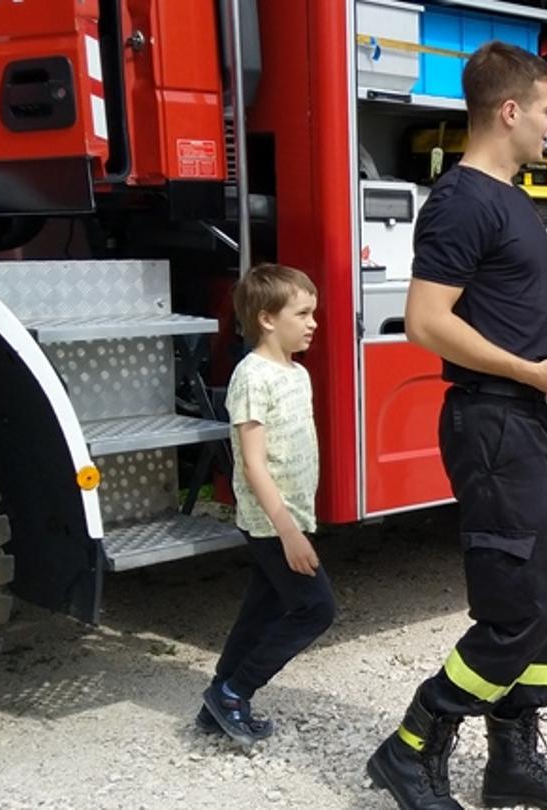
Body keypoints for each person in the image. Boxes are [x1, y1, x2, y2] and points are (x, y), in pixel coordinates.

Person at [365, 42, 547, 810]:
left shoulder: (509, 198)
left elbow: (504, 303)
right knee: (517, 609)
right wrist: (530, 371)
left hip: (534, 421)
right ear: (510, 111)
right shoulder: (463, 201)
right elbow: (425, 322)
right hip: (494, 426)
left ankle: (511, 756)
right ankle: (414, 744)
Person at [199, 263, 337, 748]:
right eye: (302, 313)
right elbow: (253, 464)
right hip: (272, 523)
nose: (313, 322)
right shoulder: (252, 377)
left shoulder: (295, 373)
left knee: (261, 609)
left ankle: (219, 695)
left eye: (312, 313)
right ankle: (237, 690)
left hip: (290, 518)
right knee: (316, 609)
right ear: (266, 319)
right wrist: (288, 531)